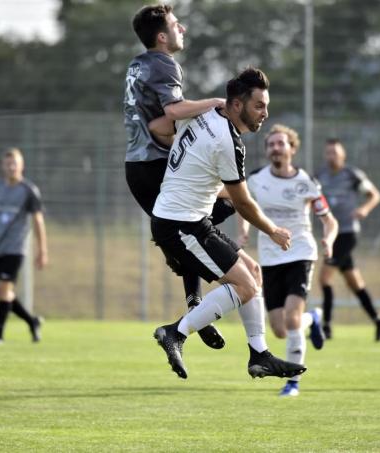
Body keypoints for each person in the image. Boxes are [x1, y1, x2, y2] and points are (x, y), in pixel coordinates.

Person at [150, 67, 306, 381]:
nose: (265, 113)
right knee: (245, 286)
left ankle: (259, 355)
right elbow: (243, 202)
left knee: (253, 275)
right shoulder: (227, 141)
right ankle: (176, 333)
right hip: (181, 225)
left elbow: (158, 126)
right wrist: (273, 230)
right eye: (259, 105)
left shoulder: (206, 114)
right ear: (236, 105)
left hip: (187, 219)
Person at [124, 3, 235, 350]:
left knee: (191, 228)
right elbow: (172, 111)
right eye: (176, 25)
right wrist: (216, 102)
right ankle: (197, 290)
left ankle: (193, 302)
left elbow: (159, 122)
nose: (182, 28)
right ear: (161, 36)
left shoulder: (137, 64)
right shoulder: (163, 63)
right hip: (155, 166)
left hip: (136, 167)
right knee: (218, 210)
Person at [236, 124, 338, 397]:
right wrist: (243, 231)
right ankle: (313, 318)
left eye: (281, 144)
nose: (275, 148)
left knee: (291, 320)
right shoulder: (256, 180)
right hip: (270, 258)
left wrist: (328, 239)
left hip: (300, 253)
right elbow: (243, 206)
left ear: (292, 149)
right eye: (271, 144)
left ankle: (293, 383)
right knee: (280, 330)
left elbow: (329, 220)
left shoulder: (306, 182)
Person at [0, 148, 48, 344]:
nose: (11, 167)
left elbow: (38, 221)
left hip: (16, 248)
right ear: (3, 166)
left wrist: (42, 250)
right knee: (2, 292)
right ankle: (32, 321)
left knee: (4, 289)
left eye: (15, 163)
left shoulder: (28, 190)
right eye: (8, 163)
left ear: (22, 165)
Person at [316, 139, 380, 341]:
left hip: (346, 234)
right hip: (331, 233)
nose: (332, 157)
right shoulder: (320, 176)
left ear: (343, 156)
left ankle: (326, 326)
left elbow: (374, 195)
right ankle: (379, 320)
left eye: (336, 153)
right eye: (329, 153)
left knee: (324, 279)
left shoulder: (352, 175)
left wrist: (364, 209)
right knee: (355, 283)